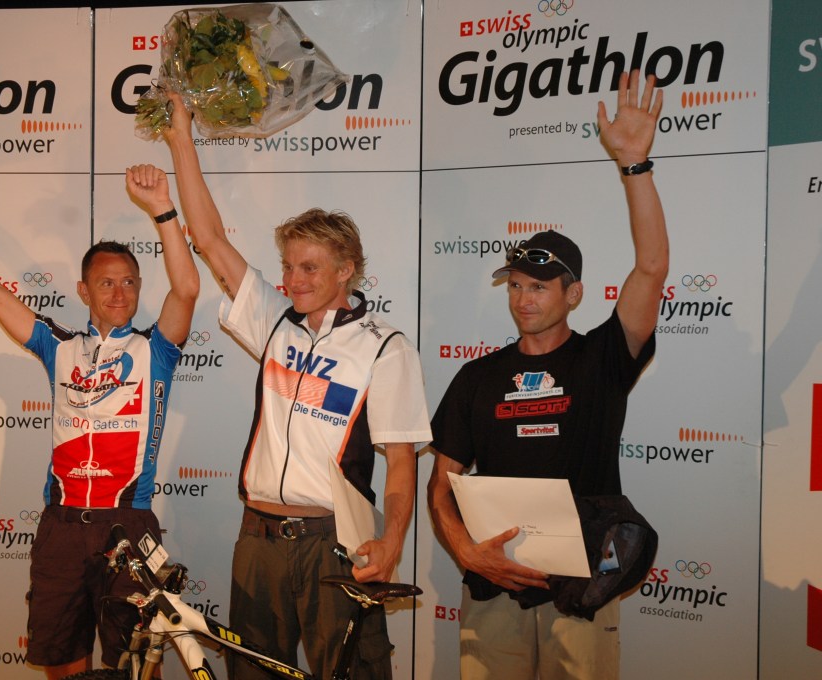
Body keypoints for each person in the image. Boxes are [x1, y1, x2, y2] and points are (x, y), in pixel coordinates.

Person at [157, 92, 432, 680]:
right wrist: (181, 134)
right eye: (287, 266)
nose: (293, 280)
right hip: (257, 538)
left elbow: (401, 461)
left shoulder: (386, 347)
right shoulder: (274, 322)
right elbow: (208, 238)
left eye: (309, 268)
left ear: (345, 270)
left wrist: (392, 540)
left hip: (332, 540)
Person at [0, 164, 199, 679]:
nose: (119, 294)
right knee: (61, 663)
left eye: (128, 283)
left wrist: (163, 209)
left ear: (140, 287)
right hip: (61, 527)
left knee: (138, 667)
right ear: (83, 291)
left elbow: (186, 289)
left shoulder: (157, 350)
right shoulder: (59, 347)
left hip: (129, 524)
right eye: (105, 283)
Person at [426, 70, 668, 680]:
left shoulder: (603, 359)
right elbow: (441, 484)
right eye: (516, 286)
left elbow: (651, 268)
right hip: (494, 589)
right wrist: (465, 550)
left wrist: (635, 165)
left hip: (581, 592)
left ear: (574, 293)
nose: (524, 298)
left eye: (538, 286)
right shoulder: (477, 377)